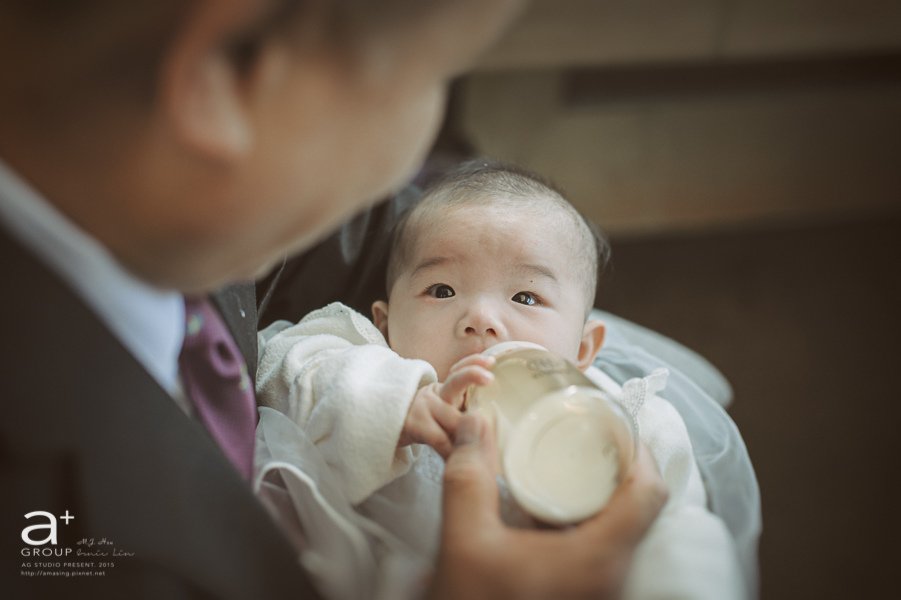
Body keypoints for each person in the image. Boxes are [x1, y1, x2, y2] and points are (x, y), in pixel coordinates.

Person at [0, 1, 667, 599]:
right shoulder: (57, 552)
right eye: (431, 76)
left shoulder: (202, 209)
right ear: (228, 73)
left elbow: (373, 231)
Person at [255, 161, 745, 599]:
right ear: (383, 323)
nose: (482, 318)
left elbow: (682, 530)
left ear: (583, 350)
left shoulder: (629, 417)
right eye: (441, 289)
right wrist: (394, 401)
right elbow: (283, 361)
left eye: (527, 298)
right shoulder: (371, 357)